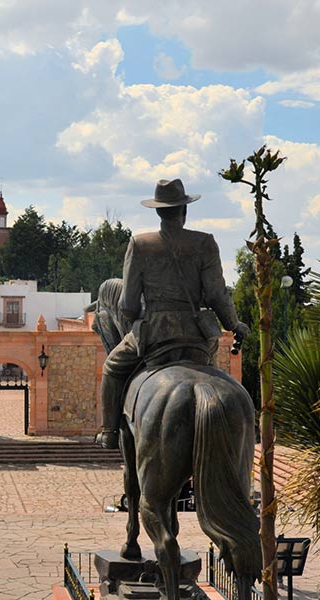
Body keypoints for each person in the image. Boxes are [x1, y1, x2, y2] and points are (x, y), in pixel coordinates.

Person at [95, 179, 250, 450]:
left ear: (158, 211)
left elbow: (128, 305)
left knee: (112, 367)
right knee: (212, 373)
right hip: (198, 337)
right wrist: (234, 324)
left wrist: (141, 317)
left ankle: (108, 432)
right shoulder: (205, 243)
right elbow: (216, 294)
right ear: (184, 210)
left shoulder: (140, 244)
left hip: (153, 334)